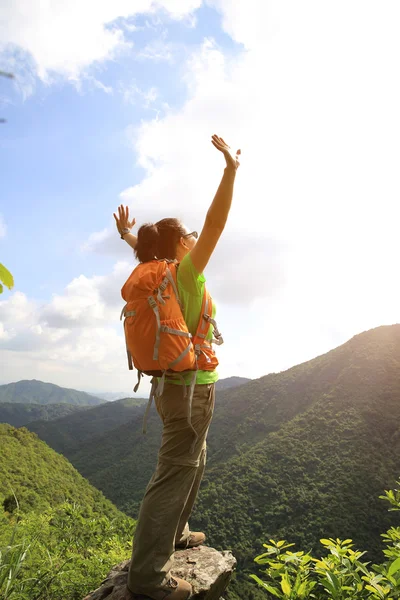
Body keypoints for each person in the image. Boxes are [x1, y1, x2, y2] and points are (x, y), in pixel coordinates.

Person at [114, 134, 240, 600]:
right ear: (178, 245)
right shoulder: (184, 275)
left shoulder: (156, 271)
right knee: (174, 472)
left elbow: (149, 247)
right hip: (190, 393)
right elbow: (217, 222)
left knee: (193, 461)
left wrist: (129, 235)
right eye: (186, 237)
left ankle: (176, 533)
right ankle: (148, 578)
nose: (193, 239)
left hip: (171, 389)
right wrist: (230, 171)